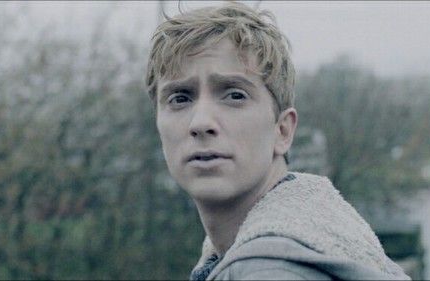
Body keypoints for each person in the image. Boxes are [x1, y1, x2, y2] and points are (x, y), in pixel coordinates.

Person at [146, 2, 410, 280]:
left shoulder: (270, 270)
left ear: (282, 131)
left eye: (235, 95)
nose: (201, 123)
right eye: (180, 98)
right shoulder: (319, 232)